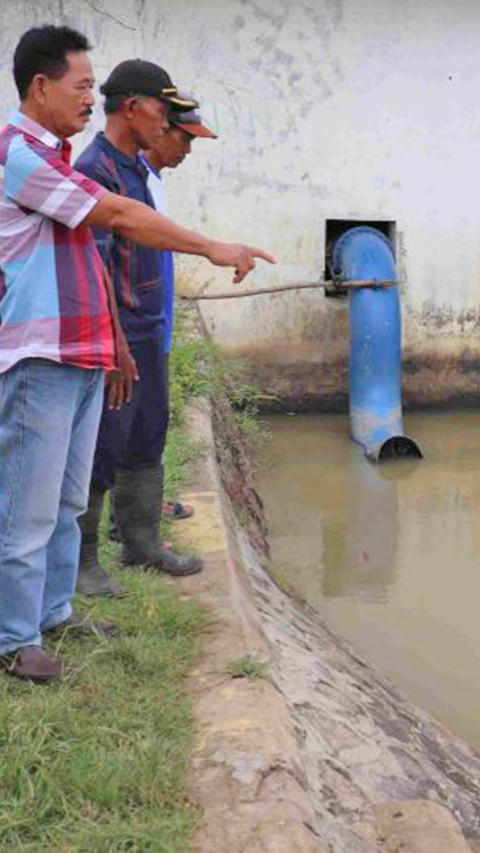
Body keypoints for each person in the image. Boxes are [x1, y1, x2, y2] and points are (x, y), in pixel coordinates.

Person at [0, 27, 274, 682]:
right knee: (29, 506)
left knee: (66, 501)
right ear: (41, 86)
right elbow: (116, 219)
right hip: (42, 354)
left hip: (80, 352)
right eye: (83, 86)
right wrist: (211, 246)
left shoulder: (57, 155)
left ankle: (56, 611)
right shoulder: (18, 154)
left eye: (94, 87)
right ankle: (14, 638)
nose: (90, 98)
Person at [138, 100, 217, 526]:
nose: (188, 149)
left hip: (159, 323)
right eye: (185, 138)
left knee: (153, 423)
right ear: (159, 130)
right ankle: (133, 522)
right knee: (138, 428)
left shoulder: (154, 180)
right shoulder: (135, 181)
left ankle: (145, 507)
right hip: (141, 326)